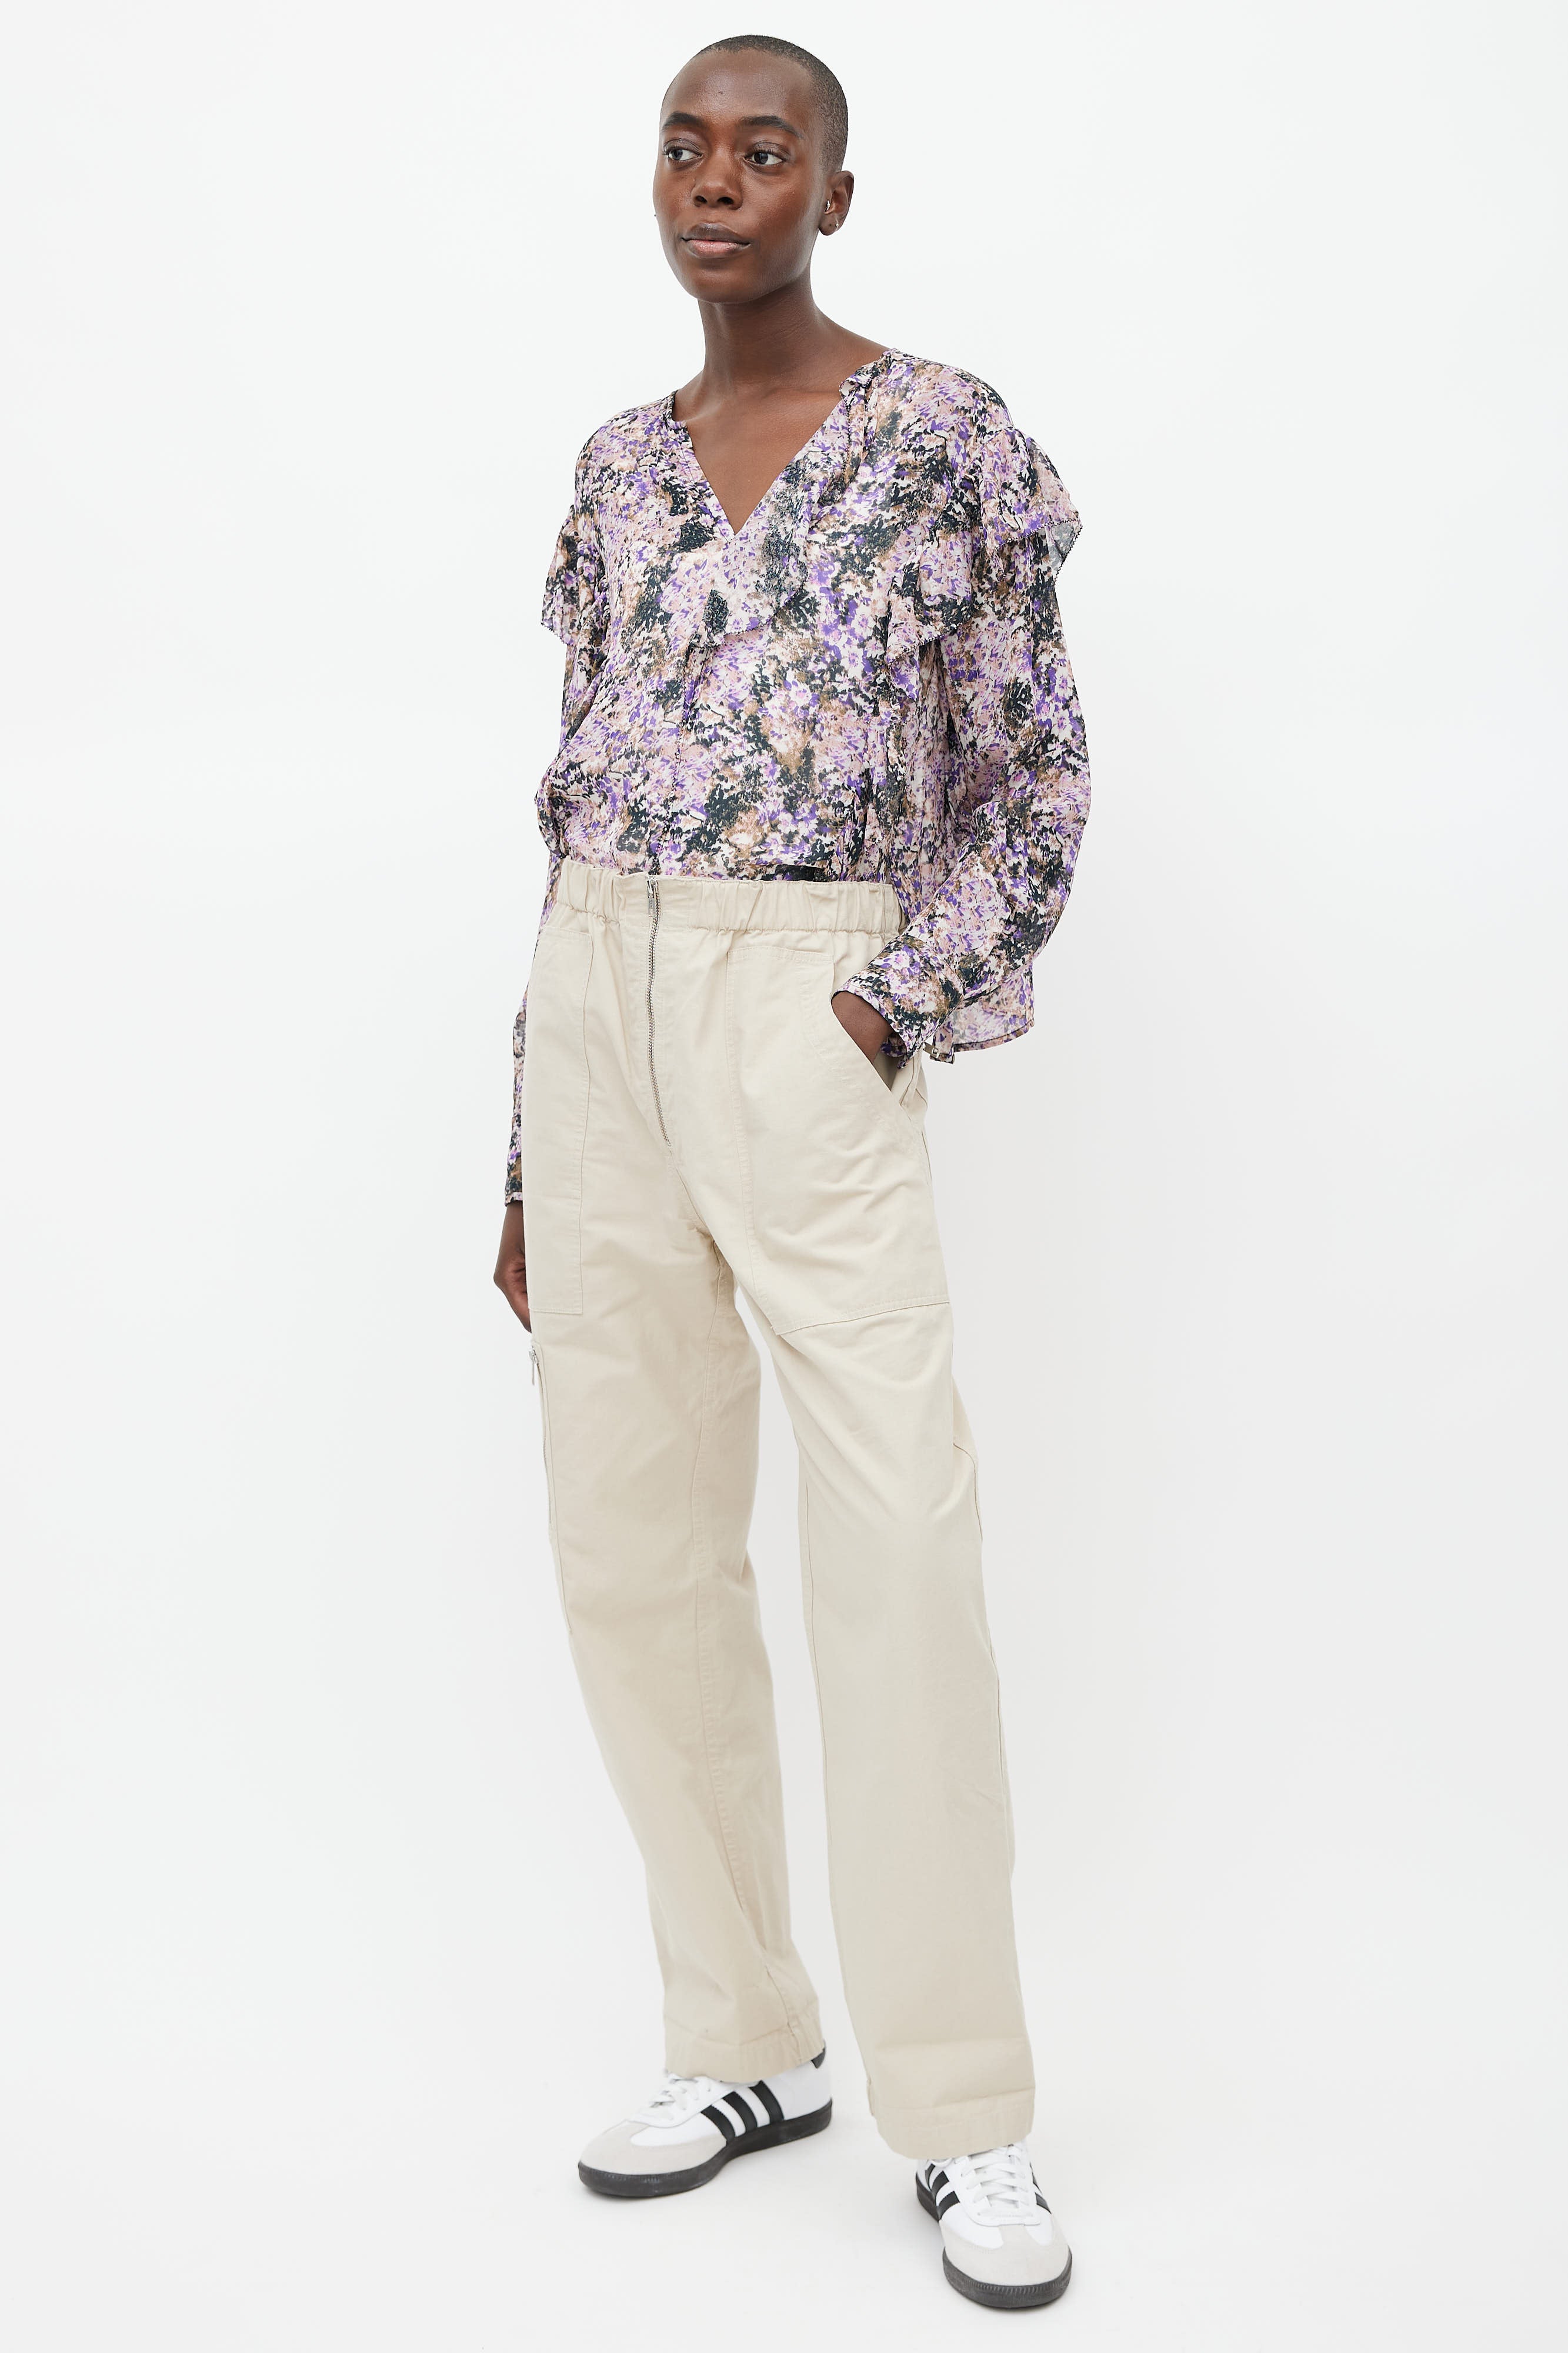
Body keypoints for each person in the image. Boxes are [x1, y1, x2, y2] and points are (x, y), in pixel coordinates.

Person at [493, 32, 1089, 2311]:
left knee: (897, 1553)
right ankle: (742, 2037)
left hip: (808, 1000)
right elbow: (574, 783)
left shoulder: (943, 437)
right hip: (600, 995)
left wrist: (889, 1000)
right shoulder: (612, 468)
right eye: (685, 147)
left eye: (765, 151)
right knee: (634, 1552)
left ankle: (966, 2110)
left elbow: (1031, 774)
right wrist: (532, 1138)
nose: (716, 182)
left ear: (835, 192)